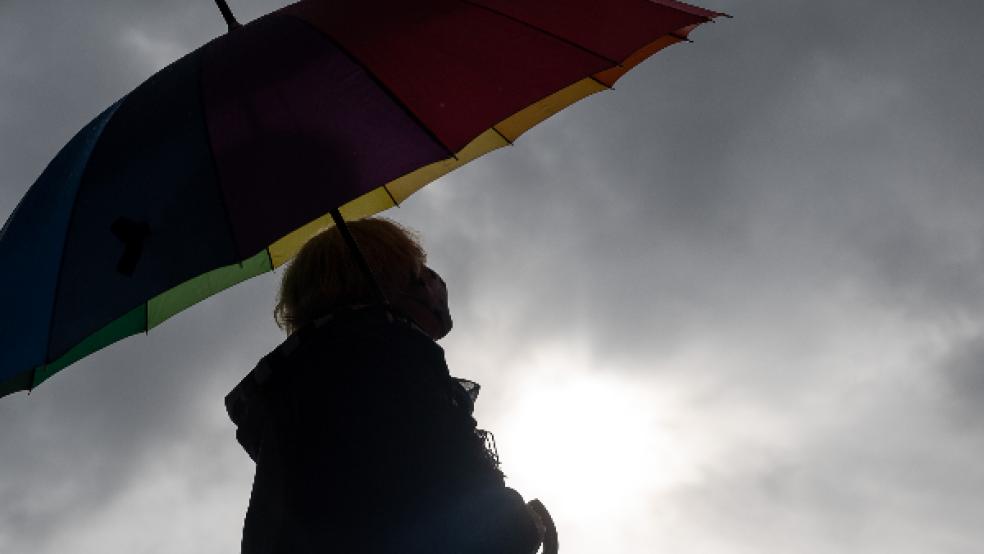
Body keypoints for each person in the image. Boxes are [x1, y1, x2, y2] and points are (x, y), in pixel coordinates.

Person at [225, 218, 545, 553]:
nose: (432, 280)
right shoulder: (390, 358)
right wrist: (521, 522)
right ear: (389, 278)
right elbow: (474, 518)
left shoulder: (301, 390)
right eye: (418, 269)